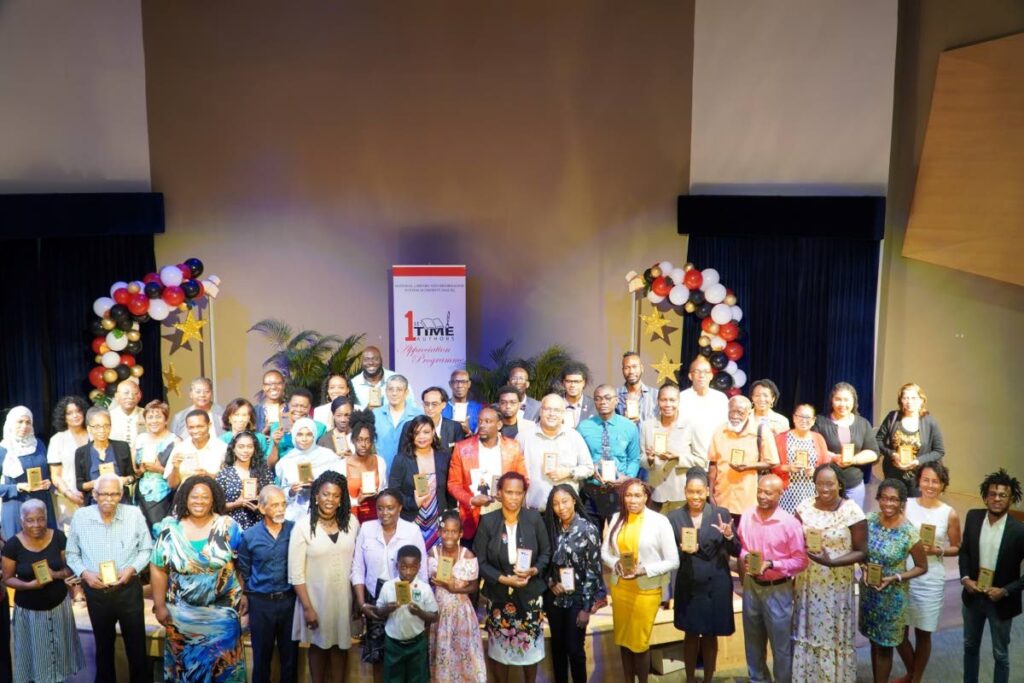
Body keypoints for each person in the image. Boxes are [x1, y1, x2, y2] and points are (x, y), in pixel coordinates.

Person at [150, 475, 246, 682]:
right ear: (185, 498)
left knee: (222, 671)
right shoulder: (169, 530)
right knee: (186, 671)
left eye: (205, 497)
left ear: (214, 500)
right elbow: (158, 568)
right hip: (181, 619)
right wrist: (159, 605)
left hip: (222, 619)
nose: (199, 501)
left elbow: (242, 564)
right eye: (194, 497)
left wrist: (245, 593)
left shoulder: (229, 526)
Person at [66, 473, 153, 683]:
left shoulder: (134, 514)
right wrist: (85, 574)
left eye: (114, 494)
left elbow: (147, 549)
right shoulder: (81, 517)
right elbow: (71, 554)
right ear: (94, 494)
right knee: (103, 649)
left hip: (128, 589)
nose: (108, 499)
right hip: (96, 592)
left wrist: (132, 569)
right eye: (103, 494)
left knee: (137, 648)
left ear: (121, 494)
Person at [792, 463, 867, 682]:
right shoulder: (804, 507)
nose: (824, 488)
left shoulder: (852, 510)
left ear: (840, 484)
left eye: (830, 483)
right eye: (820, 483)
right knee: (808, 627)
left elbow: (862, 551)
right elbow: (794, 540)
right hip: (807, 581)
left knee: (832, 631)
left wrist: (832, 562)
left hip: (836, 582)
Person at [475, 472, 551, 683]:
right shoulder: (488, 521)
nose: (514, 497)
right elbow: (480, 561)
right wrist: (503, 579)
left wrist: (533, 570)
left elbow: (546, 553)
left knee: (530, 649)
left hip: (529, 593)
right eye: (509, 492)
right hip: (499, 595)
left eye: (519, 493)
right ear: (499, 493)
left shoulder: (534, 519)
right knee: (500, 651)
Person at [602, 478, 678, 683]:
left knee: (639, 642)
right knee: (624, 641)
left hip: (646, 590)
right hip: (621, 588)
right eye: (628, 495)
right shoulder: (617, 517)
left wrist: (645, 569)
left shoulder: (659, 521)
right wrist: (615, 562)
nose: (632, 500)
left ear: (646, 497)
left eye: (637, 495)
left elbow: (673, 561)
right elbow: (604, 552)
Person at [667, 467, 738, 683]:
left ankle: (708, 678)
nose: (695, 497)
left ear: (707, 491)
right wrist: (681, 549)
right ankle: (690, 678)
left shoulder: (721, 514)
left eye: (700, 492)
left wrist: (728, 535)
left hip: (715, 581)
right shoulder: (674, 517)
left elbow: (736, 550)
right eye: (691, 492)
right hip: (688, 581)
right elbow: (669, 553)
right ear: (685, 492)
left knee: (710, 633)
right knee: (690, 633)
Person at [1, 498, 84, 682]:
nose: (36, 524)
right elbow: (7, 579)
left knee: (60, 656)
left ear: (46, 518)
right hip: (29, 613)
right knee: (34, 657)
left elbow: (71, 567)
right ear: (22, 520)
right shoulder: (12, 545)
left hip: (58, 608)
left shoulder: (59, 537)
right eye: (30, 520)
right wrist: (29, 585)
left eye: (40, 519)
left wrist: (56, 574)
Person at [288, 470, 360, 683]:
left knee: (340, 648)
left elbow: (358, 564)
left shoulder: (352, 522)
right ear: (316, 496)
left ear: (342, 499)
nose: (330, 500)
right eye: (326, 494)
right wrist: (308, 608)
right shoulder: (302, 527)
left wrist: (357, 599)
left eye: (336, 495)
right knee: (318, 648)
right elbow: (296, 573)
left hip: (344, 600)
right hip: (316, 602)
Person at [736, 474, 809, 683]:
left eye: (768, 492)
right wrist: (744, 557)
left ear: (780, 494)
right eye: (759, 491)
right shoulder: (748, 515)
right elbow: (742, 547)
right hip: (751, 587)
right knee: (753, 643)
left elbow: (801, 561)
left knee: (781, 646)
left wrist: (773, 564)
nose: (762, 496)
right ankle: (757, 680)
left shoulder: (790, 523)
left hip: (778, 590)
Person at [351, 488, 427, 679]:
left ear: (400, 508)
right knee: (377, 654)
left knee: (401, 653)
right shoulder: (367, 529)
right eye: (380, 508)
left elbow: (423, 572)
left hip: (404, 598)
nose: (385, 513)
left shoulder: (412, 531)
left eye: (390, 508)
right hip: (374, 598)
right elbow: (358, 569)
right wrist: (362, 604)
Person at [897, 462, 961, 683]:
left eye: (935, 481)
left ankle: (915, 678)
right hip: (904, 574)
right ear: (919, 481)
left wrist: (938, 550)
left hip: (930, 577)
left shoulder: (949, 513)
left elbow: (956, 547)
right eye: (926, 479)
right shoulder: (907, 505)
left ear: (943, 484)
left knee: (924, 632)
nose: (930, 485)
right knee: (899, 632)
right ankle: (912, 672)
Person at [959, 468, 1024, 683]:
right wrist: (965, 578)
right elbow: (965, 552)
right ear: (986, 496)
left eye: (1002, 495)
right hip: (973, 596)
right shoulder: (973, 517)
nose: (997, 498)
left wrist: (1005, 590)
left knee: (1000, 654)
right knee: (970, 646)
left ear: (1010, 499)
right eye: (992, 494)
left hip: (1001, 601)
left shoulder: (1019, 530)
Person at [859, 479, 928, 683]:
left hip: (892, 597)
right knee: (874, 640)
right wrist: (863, 567)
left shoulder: (909, 532)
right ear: (878, 498)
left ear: (901, 502)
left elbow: (922, 567)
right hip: (870, 593)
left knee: (885, 646)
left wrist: (896, 577)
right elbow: (861, 551)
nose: (888, 503)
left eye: (894, 500)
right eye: (884, 498)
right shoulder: (869, 520)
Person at [237, 485, 299, 683]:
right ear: (262, 509)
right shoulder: (249, 536)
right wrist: (245, 595)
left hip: (289, 601)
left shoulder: (294, 530)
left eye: (283, 504)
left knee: (290, 658)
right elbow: (244, 570)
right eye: (274, 505)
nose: (280, 509)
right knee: (261, 658)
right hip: (261, 603)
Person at [542, 484, 602, 683]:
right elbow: (543, 563)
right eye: (556, 504)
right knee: (557, 649)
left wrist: (586, 608)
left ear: (574, 500)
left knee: (575, 650)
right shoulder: (550, 528)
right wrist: (551, 583)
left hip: (578, 598)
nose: (561, 507)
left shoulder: (589, 529)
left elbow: (594, 571)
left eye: (565, 501)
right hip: (555, 598)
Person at [448, 407, 528, 544]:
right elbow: (453, 484)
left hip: (504, 514)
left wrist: (508, 495)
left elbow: (524, 480)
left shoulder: (513, 448)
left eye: (488, 421)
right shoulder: (462, 448)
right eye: (480, 421)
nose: (482, 425)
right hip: (473, 517)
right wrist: (472, 500)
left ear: (499, 425)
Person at [428, 510, 486, 683]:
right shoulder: (433, 554)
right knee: (443, 652)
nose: (449, 535)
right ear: (439, 532)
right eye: (445, 531)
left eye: (454, 531)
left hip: (462, 613)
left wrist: (454, 589)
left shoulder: (467, 555)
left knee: (464, 652)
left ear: (460, 533)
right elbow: (431, 580)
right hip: (440, 612)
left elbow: (474, 586)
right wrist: (445, 585)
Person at [707, 395, 779, 526]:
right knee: (723, 540)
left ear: (749, 412)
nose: (735, 416)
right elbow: (713, 464)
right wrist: (711, 494)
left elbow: (773, 461)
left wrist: (748, 466)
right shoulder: (719, 431)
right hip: (722, 498)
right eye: (732, 411)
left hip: (748, 500)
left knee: (744, 541)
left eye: (740, 412)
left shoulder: (761, 431)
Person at [578, 386, 641, 535]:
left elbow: (634, 459)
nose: (603, 402)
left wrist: (627, 478)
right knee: (590, 539)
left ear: (616, 401)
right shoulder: (583, 427)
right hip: (591, 491)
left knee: (620, 538)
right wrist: (591, 469)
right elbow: (578, 458)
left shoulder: (629, 427)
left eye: (607, 398)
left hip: (619, 492)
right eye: (598, 399)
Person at [373, 545, 438, 683]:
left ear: (419, 567)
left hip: (417, 643)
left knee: (418, 679)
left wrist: (419, 612)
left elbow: (434, 616)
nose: (408, 572)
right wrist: (388, 608)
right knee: (393, 679)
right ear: (397, 565)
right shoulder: (388, 586)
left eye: (412, 568)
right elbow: (378, 612)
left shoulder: (424, 588)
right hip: (393, 643)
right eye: (403, 567)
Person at [812, 381, 879, 510]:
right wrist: (833, 458)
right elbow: (813, 448)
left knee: (853, 524)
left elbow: (873, 452)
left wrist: (853, 459)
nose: (842, 404)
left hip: (853, 485)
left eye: (846, 400)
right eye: (838, 399)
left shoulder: (863, 423)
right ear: (832, 400)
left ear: (853, 401)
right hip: (825, 485)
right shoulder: (820, 422)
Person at [389, 415, 451, 551]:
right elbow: (393, 492)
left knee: (435, 564)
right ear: (411, 435)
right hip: (410, 521)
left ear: (433, 432)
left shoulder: (444, 456)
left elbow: (449, 489)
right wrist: (412, 502)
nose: (421, 437)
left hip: (437, 524)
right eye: (417, 433)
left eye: (426, 432)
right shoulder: (401, 459)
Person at [521, 395, 593, 512]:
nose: (551, 414)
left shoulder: (574, 436)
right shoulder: (524, 437)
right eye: (547, 409)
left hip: (565, 513)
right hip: (533, 512)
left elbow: (589, 468)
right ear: (540, 411)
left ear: (563, 413)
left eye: (556, 410)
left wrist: (569, 472)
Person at [876, 383, 945, 498]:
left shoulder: (930, 422)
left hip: (918, 477)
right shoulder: (892, 417)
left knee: (914, 511)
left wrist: (918, 461)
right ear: (900, 400)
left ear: (921, 400)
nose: (909, 402)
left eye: (913, 398)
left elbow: (939, 451)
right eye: (905, 398)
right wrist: (892, 454)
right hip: (893, 474)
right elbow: (878, 440)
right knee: (893, 508)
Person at [1, 406, 56, 538]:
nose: (24, 426)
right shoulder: (3, 450)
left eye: (28, 422)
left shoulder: (39, 444)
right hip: (16, 507)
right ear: (10, 423)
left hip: (42, 504)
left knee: (45, 550)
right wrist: (17, 487)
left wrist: (49, 482)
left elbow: (47, 473)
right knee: (19, 553)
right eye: (19, 422)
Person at [640, 383, 695, 513]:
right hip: (656, 493)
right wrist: (650, 459)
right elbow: (641, 458)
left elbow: (702, 460)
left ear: (679, 401)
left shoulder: (690, 425)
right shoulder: (647, 426)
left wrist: (678, 458)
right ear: (658, 401)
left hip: (681, 493)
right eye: (663, 400)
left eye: (672, 400)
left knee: (680, 532)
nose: (668, 404)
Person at [275, 417, 343, 522]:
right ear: (294, 436)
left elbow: (338, 485)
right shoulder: (286, 461)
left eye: (309, 434)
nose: (304, 439)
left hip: (323, 514)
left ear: (314, 435)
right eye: (300, 434)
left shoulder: (328, 457)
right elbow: (283, 493)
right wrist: (292, 491)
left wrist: (318, 486)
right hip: (294, 516)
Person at [773, 403, 830, 513]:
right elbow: (772, 467)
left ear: (813, 420)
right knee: (787, 526)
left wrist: (816, 472)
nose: (804, 420)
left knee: (808, 527)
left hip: (812, 492)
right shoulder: (780, 438)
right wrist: (788, 468)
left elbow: (826, 467)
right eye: (800, 416)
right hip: (786, 492)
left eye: (808, 417)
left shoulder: (819, 439)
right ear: (794, 418)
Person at [133, 399, 179, 531]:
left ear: (166, 420)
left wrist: (159, 469)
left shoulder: (175, 441)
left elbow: (179, 475)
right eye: (150, 417)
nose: (154, 420)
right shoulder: (140, 439)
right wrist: (139, 470)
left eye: (158, 416)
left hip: (165, 494)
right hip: (141, 493)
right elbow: (133, 470)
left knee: (161, 530)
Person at [75, 406, 135, 506]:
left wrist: (124, 480)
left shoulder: (122, 447)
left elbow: (132, 476)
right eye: (97, 427)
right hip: (95, 505)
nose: (102, 430)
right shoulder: (81, 452)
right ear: (89, 428)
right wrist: (96, 483)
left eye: (106, 426)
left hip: (121, 503)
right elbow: (80, 485)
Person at [47, 395, 90, 529]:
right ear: (63, 417)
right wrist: (69, 494)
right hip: (69, 498)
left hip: (96, 496)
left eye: (78, 411)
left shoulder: (94, 433)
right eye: (69, 413)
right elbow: (56, 476)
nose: (75, 416)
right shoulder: (57, 439)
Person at [677, 356, 729, 469]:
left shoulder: (721, 398)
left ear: (711, 376)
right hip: (690, 462)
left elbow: (726, 429)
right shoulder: (681, 398)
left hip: (717, 460)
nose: (702, 375)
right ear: (690, 376)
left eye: (706, 372)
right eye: (697, 372)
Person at [217, 431, 275, 530]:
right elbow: (217, 506)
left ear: (254, 449)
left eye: (249, 446)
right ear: (233, 449)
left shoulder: (263, 471)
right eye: (241, 447)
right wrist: (236, 503)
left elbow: (273, 498)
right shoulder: (224, 474)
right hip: (233, 528)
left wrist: (261, 503)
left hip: (261, 526)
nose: (245, 450)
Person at [339, 409, 387, 524]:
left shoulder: (379, 462)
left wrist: (378, 495)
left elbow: (385, 490)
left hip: (377, 519)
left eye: (367, 440)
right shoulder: (342, 465)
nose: (363, 445)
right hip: (351, 520)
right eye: (359, 440)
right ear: (353, 441)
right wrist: (357, 501)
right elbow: (338, 499)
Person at [164, 409, 228, 489]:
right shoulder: (180, 449)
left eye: (200, 426)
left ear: (209, 425)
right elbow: (172, 485)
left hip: (213, 498)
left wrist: (208, 476)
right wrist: (175, 468)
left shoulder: (222, 448)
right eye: (191, 427)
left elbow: (229, 482)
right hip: (185, 498)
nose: (196, 431)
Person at [373, 375, 423, 469]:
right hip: (382, 470)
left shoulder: (418, 415)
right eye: (390, 389)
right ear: (386, 391)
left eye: (399, 389)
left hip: (410, 470)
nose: (394, 393)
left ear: (406, 392)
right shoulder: (375, 415)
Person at [399, 386, 462, 454]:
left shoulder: (455, 427)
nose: (430, 408)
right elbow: (402, 456)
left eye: (434, 404)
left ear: (443, 405)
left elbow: (459, 456)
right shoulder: (409, 426)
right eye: (426, 404)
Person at [350, 346, 416, 409]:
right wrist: (366, 412)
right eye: (366, 359)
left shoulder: (398, 380)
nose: (370, 362)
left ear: (381, 360)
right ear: (361, 362)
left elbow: (412, 407)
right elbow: (350, 413)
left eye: (375, 359)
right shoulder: (353, 384)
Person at [220, 397, 278, 469]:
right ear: (229, 418)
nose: (240, 419)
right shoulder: (221, 440)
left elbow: (267, 463)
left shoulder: (260, 438)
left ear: (250, 418)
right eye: (236, 415)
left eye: (244, 415)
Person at [270, 389, 329, 459]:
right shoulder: (277, 427)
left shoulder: (319, 428)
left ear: (309, 407)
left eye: (304, 406)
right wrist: (275, 445)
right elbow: (270, 464)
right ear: (288, 405)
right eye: (295, 405)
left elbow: (324, 456)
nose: (299, 410)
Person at [617, 351, 657, 424]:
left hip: (646, 435)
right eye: (627, 367)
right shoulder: (615, 395)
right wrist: (623, 420)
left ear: (642, 368)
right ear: (622, 370)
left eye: (634, 367)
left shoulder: (656, 395)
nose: (631, 371)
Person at [441, 369, 482, 436]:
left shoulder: (478, 408)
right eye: (456, 382)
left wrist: (468, 431)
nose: (460, 385)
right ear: (450, 384)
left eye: (463, 382)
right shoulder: (442, 407)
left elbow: (481, 440)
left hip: (468, 445)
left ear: (469, 384)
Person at [109, 378, 145, 450]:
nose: (131, 397)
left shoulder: (146, 415)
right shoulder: (108, 417)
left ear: (139, 396)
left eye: (135, 393)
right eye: (126, 393)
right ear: (117, 396)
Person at [560, 363, 595, 428]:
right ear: (563, 382)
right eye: (568, 381)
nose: (572, 385)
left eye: (577, 382)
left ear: (584, 383)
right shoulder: (553, 404)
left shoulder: (594, 406)